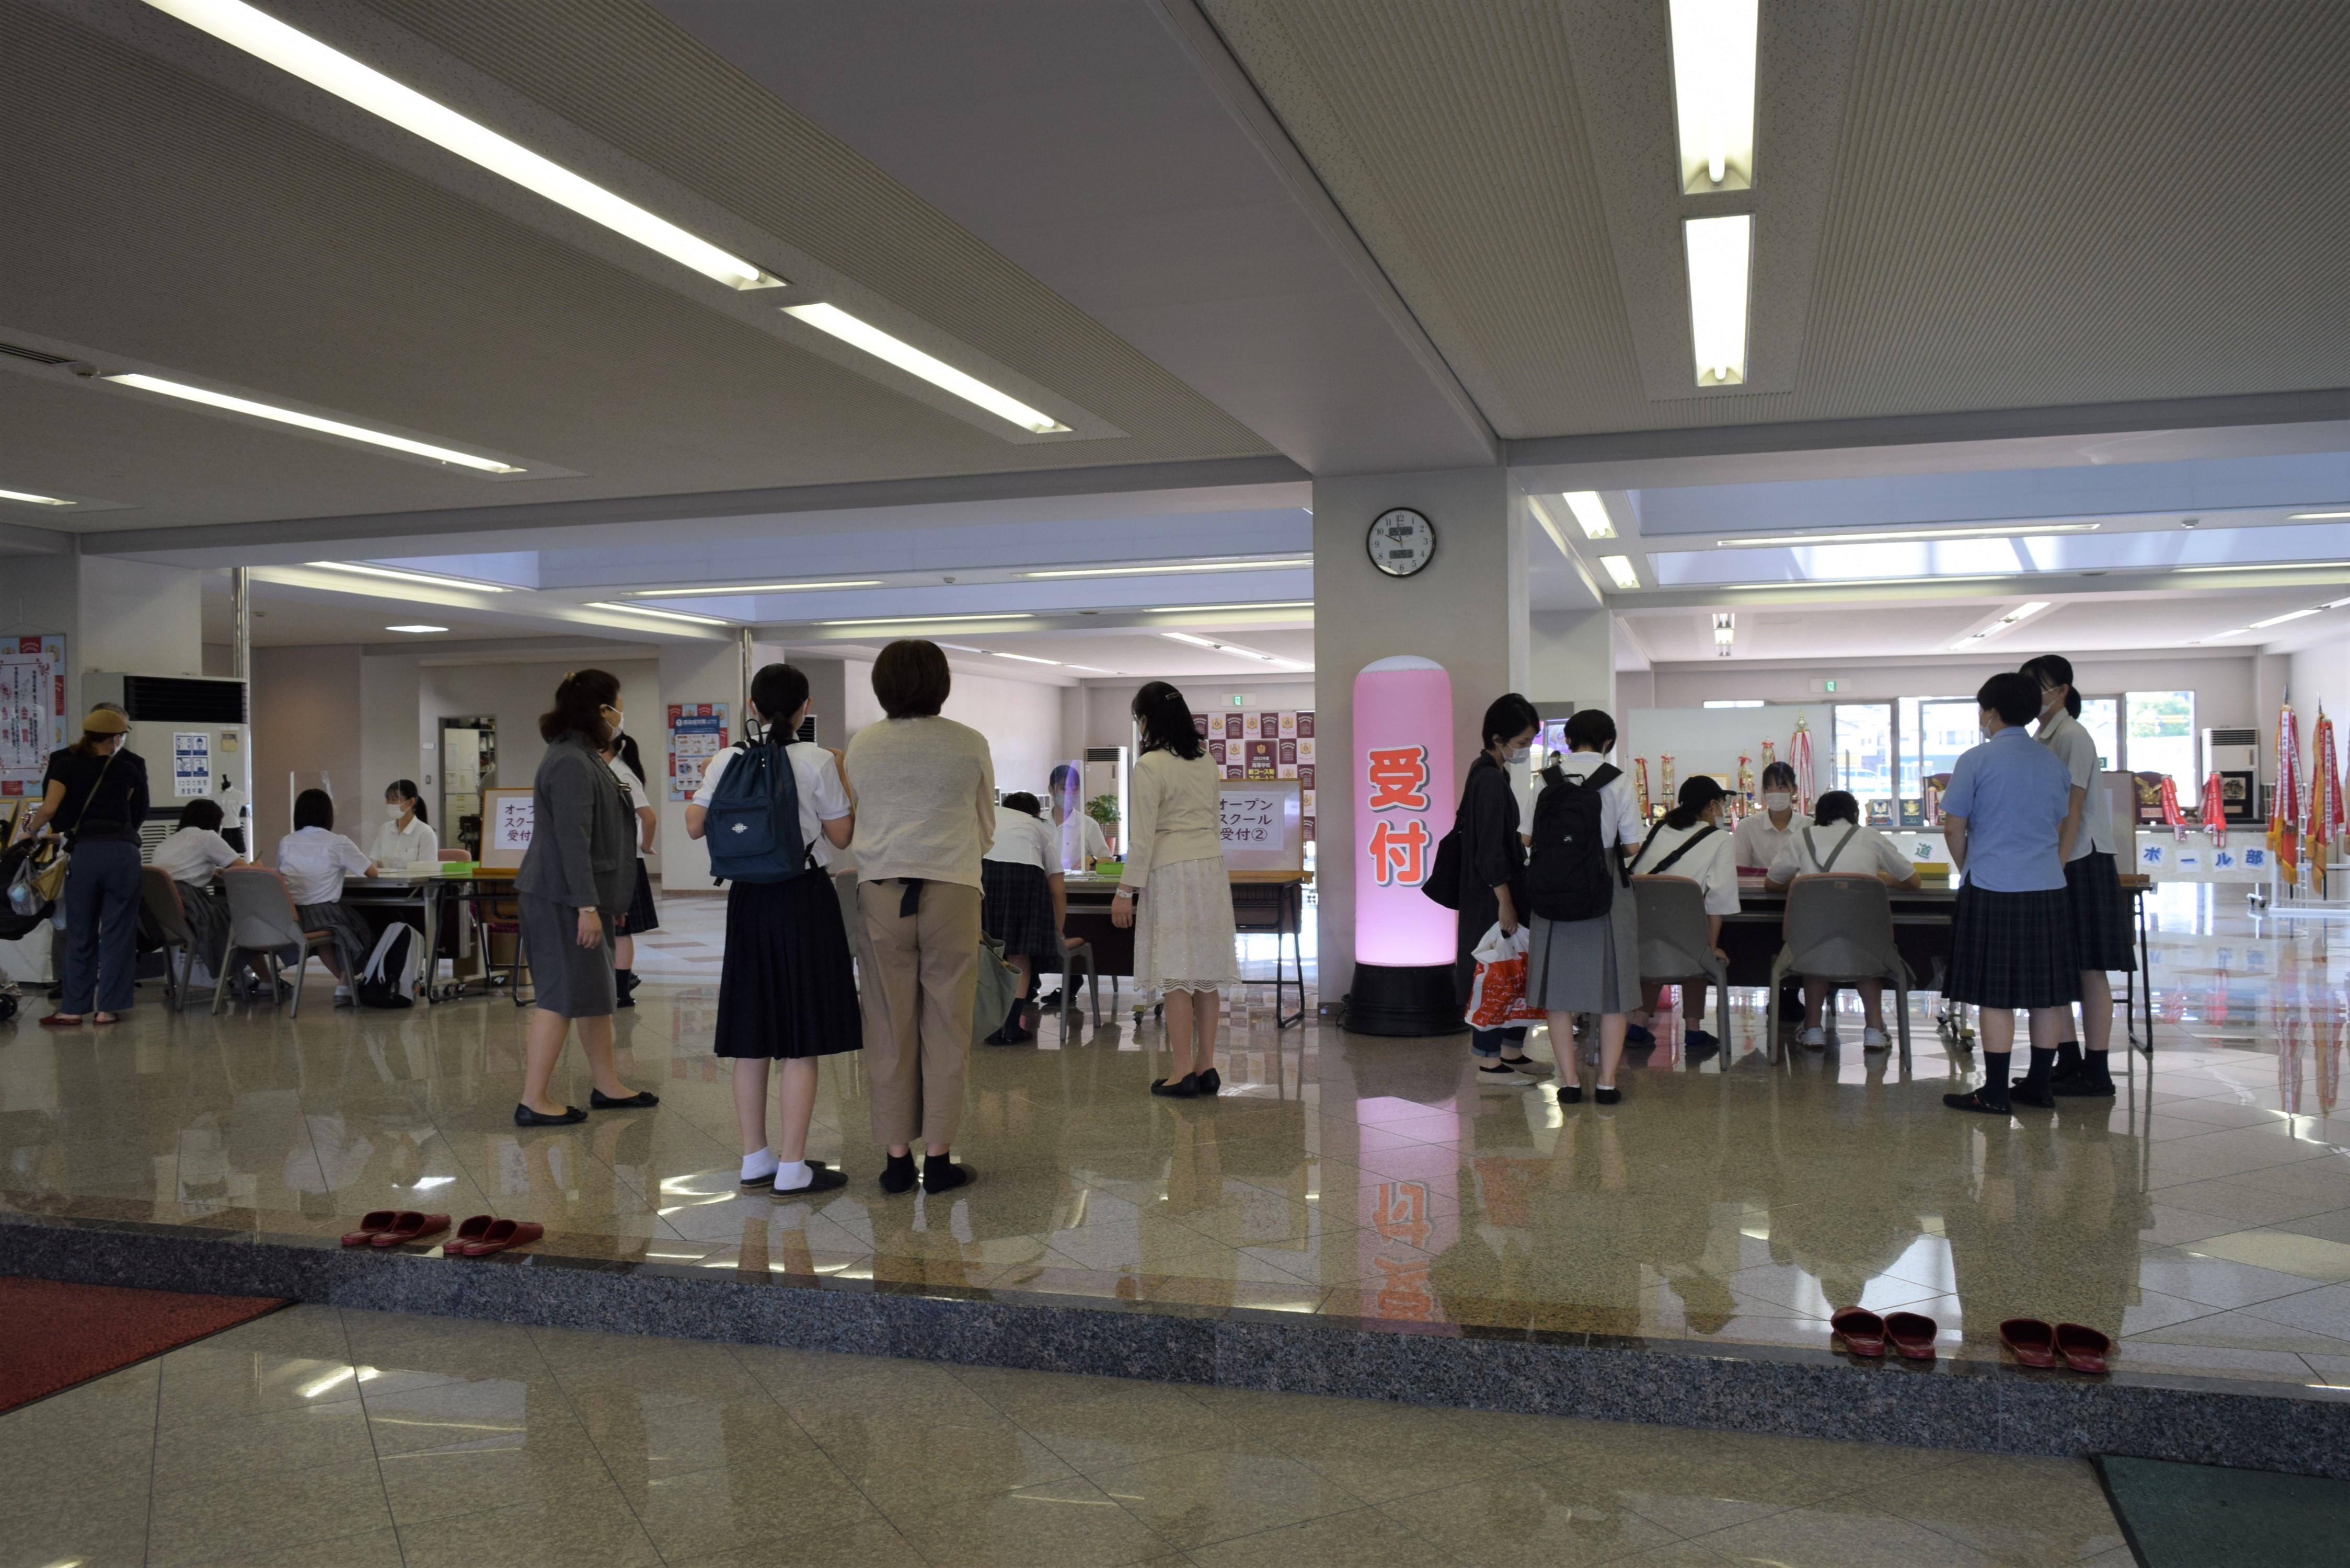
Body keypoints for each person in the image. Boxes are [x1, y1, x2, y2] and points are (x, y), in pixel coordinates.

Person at [688, 663, 858, 1195]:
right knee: (801, 1036)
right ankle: (793, 1166)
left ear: (752, 708)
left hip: (747, 901)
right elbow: (843, 836)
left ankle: (754, 1159)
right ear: (806, 707)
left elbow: (694, 826)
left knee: (752, 1033)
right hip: (803, 898)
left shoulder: (726, 758)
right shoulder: (817, 759)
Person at [845, 639, 993, 1194]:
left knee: (887, 1023)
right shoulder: (969, 741)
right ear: (941, 683)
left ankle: (895, 1161)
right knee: (948, 1024)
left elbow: (855, 817)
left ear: (882, 685)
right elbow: (986, 826)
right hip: (952, 889)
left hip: (881, 890)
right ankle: (939, 1158)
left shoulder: (863, 744)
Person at [513, 670, 659, 1126]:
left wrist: (605, 902)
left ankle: (607, 1085)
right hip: (562, 898)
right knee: (560, 997)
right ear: (601, 711)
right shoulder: (570, 762)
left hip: (580, 897)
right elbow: (572, 842)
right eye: (618, 707)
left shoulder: (582, 756)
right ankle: (533, 1100)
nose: (620, 716)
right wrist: (588, 907)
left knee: (596, 994)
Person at [1939, 672, 2079, 1115]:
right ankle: (2039, 1085)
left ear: (1991, 711)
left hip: (1992, 885)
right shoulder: (2053, 764)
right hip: (2048, 887)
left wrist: (1970, 867)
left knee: (1994, 993)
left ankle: (1996, 1092)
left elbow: (1954, 827)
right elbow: (2060, 820)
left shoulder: (1975, 760)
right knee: (2047, 993)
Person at [1113, 681, 1239, 1098]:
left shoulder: (1150, 765)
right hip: (1210, 869)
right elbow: (1214, 821)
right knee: (1205, 974)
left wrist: (1125, 891)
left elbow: (1143, 838)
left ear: (1147, 720)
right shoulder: (1206, 760)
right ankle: (1207, 1067)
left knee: (1176, 974)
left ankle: (1182, 1071)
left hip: (1170, 871)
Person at [2016, 653, 2132, 1103]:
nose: (2033, 696)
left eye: (2039, 687)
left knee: (2089, 967)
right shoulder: (2041, 736)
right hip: (2057, 859)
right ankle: (2068, 1060)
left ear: (2061, 690)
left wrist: (2058, 866)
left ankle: (2097, 1069)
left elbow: (2074, 808)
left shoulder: (2073, 736)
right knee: (2058, 964)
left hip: (2081, 859)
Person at [1524, 708, 1642, 1105]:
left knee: (1559, 993)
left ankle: (1570, 1083)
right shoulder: (1619, 782)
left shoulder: (1545, 780)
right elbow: (1631, 846)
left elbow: (1526, 838)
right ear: (1608, 742)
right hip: (1605, 889)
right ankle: (1606, 1083)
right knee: (1614, 992)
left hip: (1553, 889)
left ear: (1569, 741)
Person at [1766, 789, 1922, 1048]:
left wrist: (1804, 880)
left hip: (1811, 945)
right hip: (1866, 944)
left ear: (1818, 815)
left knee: (1814, 948)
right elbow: (1913, 881)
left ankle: (1813, 1028)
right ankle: (1875, 1030)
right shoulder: (1870, 837)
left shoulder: (1802, 837)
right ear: (1855, 814)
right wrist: (1880, 879)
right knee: (1869, 950)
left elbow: (1772, 883)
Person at [28, 708, 150, 1027]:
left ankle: (72, 1009)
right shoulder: (130, 768)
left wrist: (32, 832)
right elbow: (135, 812)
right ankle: (107, 1010)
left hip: (85, 853)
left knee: (80, 931)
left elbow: (49, 809)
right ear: (116, 738)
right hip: (123, 853)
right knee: (118, 932)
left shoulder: (65, 765)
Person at [1453, 693, 1550, 1086]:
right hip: (1492, 896)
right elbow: (1490, 849)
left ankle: (1511, 1051)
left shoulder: (1493, 774)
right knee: (1493, 973)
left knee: (1512, 971)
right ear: (1498, 738)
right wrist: (1505, 902)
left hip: (1498, 891)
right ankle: (1490, 1063)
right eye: (1522, 742)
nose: (1525, 749)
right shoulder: (1489, 780)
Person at [1626, 776, 1740, 1056]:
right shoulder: (1720, 839)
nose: (1723, 811)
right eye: (1722, 804)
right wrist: (1710, 947)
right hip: (1687, 943)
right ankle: (1693, 1030)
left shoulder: (1656, 830)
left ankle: (1639, 1023)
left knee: (1658, 940)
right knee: (1695, 942)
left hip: (1638, 941)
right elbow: (1718, 901)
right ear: (1712, 805)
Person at [981, 792, 1070, 1046]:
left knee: (989, 954)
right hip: (1026, 876)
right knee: (1020, 954)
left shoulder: (990, 818)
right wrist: (1058, 932)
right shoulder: (1036, 826)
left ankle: (991, 1027)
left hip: (984, 873)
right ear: (1036, 813)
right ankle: (1012, 1029)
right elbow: (1058, 890)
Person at [276, 789, 380, 1004]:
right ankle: (346, 982)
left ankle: (346, 984)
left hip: (292, 917)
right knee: (363, 928)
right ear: (328, 815)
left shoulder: (287, 841)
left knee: (327, 942)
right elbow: (372, 873)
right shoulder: (338, 842)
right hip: (325, 914)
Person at [151, 798, 248, 988]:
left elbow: (182, 871)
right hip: (189, 905)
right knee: (240, 920)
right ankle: (261, 981)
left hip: (164, 915)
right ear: (213, 822)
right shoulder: (207, 837)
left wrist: (212, 873)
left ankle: (242, 978)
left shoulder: (166, 842)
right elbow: (243, 870)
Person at [601, 731, 660, 1008]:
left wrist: (645, 845)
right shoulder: (607, 770)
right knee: (613, 930)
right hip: (613, 859)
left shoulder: (622, 773)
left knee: (621, 930)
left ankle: (622, 991)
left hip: (625, 861)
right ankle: (622, 981)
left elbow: (649, 817)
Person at [1733, 760, 1802, 872]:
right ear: (1763, 791)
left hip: (1797, 883)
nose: (1775, 793)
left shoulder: (1808, 826)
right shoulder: (1747, 827)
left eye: (1782, 787)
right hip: (1757, 883)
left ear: (1794, 790)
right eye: (1769, 788)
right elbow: (1741, 869)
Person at [1049, 761, 1113, 872]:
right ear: (1051, 790)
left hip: (1075, 882)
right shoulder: (1039, 822)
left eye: (1075, 789)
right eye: (1064, 789)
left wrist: (1093, 859)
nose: (1070, 794)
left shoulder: (1088, 825)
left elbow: (1109, 861)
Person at [368, 780, 439, 869]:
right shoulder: (385, 829)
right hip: (387, 877)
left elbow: (428, 869)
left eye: (394, 799)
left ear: (411, 802)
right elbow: (379, 864)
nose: (389, 803)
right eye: (388, 799)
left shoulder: (425, 833)